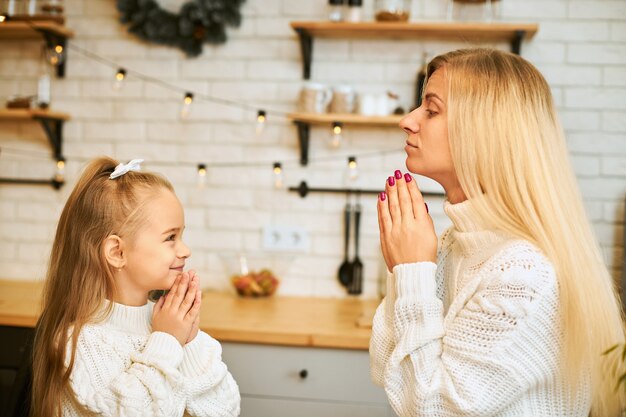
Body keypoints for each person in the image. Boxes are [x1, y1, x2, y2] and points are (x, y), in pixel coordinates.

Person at [371, 48, 625, 417]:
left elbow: (431, 409)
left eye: (431, 108)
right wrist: (405, 268)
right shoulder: (453, 245)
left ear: (484, 130)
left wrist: (411, 269)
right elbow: (386, 370)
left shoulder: (522, 275)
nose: (408, 121)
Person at [31, 157, 240, 417]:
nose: (186, 250)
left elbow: (226, 409)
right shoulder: (79, 341)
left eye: (181, 236)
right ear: (117, 252)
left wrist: (191, 340)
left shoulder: (168, 322)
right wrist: (169, 341)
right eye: (170, 238)